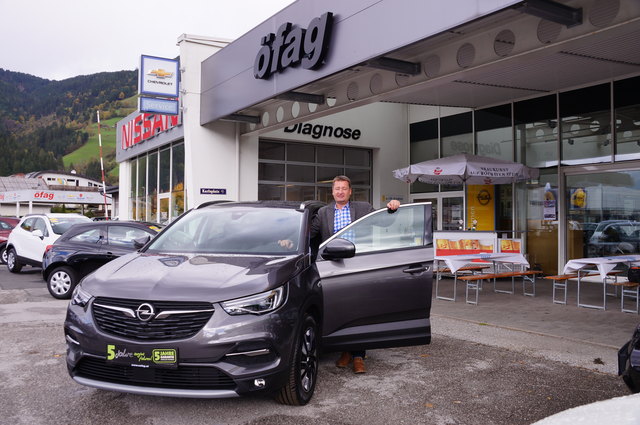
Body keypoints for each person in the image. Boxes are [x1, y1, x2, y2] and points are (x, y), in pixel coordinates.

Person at [311, 175, 400, 374]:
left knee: (360, 309)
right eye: (337, 189)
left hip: (359, 264)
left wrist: (392, 208)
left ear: (350, 192)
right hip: (333, 267)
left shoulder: (363, 208)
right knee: (340, 309)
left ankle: (359, 355)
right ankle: (345, 351)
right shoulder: (324, 212)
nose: (340, 192)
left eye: (344, 188)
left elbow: (384, 223)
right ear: (332, 192)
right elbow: (311, 232)